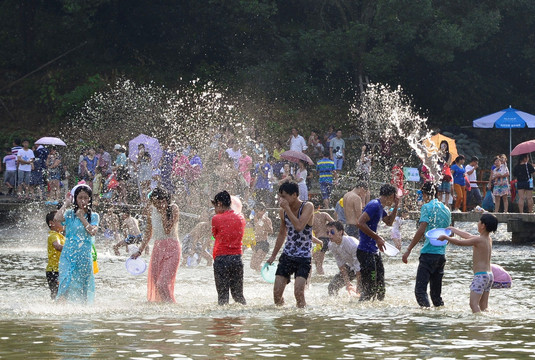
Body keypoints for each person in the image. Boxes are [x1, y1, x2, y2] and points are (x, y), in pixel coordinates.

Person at [402, 182, 451, 307]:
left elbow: (422, 228)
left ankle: (426, 319)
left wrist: (408, 249)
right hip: (441, 255)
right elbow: (448, 231)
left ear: (424, 194)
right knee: (436, 296)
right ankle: (439, 320)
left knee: (420, 291)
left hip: (428, 254)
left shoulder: (426, 207)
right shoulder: (446, 209)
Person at [266, 181, 314, 308]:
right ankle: (283, 320)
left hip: (303, 257)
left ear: (294, 195)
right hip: (287, 255)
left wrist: (287, 208)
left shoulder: (307, 206)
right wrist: (273, 256)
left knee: (298, 293)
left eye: (284, 196)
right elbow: (282, 234)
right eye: (280, 196)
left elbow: (299, 226)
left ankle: (301, 321)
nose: (281, 200)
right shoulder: (283, 212)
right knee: (276, 295)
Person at [438, 213, 498, 313]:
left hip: (480, 276)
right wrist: (454, 229)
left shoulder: (478, 240)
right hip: (489, 276)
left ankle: (478, 324)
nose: (478, 223)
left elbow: (460, 242)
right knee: (483, 306)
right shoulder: (487, 239)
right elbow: (468, 236)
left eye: (479, 221)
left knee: (473, 304)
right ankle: (486, 322)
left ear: (483, 225)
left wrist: (446, 238)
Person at [131, 187, 181, 303]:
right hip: (158, 248)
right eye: (153, 202)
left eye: (158, 202)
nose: (156, 205)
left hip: (172, 248)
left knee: (162, 283)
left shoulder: (173, 208)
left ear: (165, 200)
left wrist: (163, 212)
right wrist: (140, 250)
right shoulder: (151, 210)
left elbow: (167, 230)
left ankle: (171, 307)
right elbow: (148, 232)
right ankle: (163, 310)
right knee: (155, 283)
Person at [54, 184, 100, 303]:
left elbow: (92, 232)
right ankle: (61, 307)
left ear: (90, 199)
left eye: (86, 198)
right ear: (76, 198)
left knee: (83, 284)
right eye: (80, 198)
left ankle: (83, 308)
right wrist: (66, 203)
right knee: (65, 281)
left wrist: (81, 217)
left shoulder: (94, 216)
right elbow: (57, 218)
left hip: (84, 255)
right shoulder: (69, 214)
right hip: (68, 254)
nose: (83, 201)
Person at [356, 184, 399, 301]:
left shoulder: (380, 207)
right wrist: (377, 238)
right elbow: (360, 223)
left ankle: (379, 314)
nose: (394, 199)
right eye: (394, 197)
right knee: (370, 288)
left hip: (374, 251)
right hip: (365, 251)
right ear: (391, 195)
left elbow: (389, 222)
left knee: (380, 286)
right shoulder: (374, 205)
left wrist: (396, 206)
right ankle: (362, 313)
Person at [210, 190, 247, 305]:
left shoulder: (216, 219)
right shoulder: (241, 218)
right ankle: (240, 320)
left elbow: (214, 235)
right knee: (238, 295)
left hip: (221, 259)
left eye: (215, 206)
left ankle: (222, 322)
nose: (215, 209)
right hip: (237, 259)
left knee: (222, 297)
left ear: (220, 204)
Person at [326, 221, 361, 296]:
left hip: (365, 267)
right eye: (327, 232)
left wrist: (358, 287)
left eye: (332, 232)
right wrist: (347, 283)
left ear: (340, 232)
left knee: (365, 292)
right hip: (351, 267)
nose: (329, 234)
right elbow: (341, 264)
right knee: (332, 287)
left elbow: (358, 267)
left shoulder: (352, 244)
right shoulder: (331, 245)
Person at [311, 200, 335, 275]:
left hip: (318, 241)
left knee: (318, 264)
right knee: (317, 262)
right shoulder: (324, 214)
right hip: (326, 240)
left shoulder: (310, 217)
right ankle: (320, 278)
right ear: (319, 207)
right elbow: (334, 223)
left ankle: (321, 278)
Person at [45, 210, 65, 299]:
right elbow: (57, 246)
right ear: (51, 223)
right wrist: (71, 249)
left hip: (59, 270)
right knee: (57, 293)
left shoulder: (61, 236)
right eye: (60, 221)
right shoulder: (53, 235)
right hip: (54, 271)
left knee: (60, 293)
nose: (64, 222)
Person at [250, 202, 274, 271]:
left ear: (263, 211)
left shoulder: (266, 219)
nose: (257, 212)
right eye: (255, 211)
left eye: (259, 211)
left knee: (256, 264)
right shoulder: (253, 220)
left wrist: (264, 223)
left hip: (263, 244)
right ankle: (266, 271)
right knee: (252, 266)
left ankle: (269, 272)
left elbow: (271, 231)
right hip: (256, 244)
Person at [437, 140, 453, 208]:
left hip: (446, 173)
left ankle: (446, 204)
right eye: (442, 145)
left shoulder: (449, 155)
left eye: (445, 146)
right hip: (440, 172)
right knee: (440, 190)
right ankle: (439, 203)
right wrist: (440, 154)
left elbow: (448, 164)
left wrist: (445, 158)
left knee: (447, 190)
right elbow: (436, 162)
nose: (443, 147)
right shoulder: (438, 154)